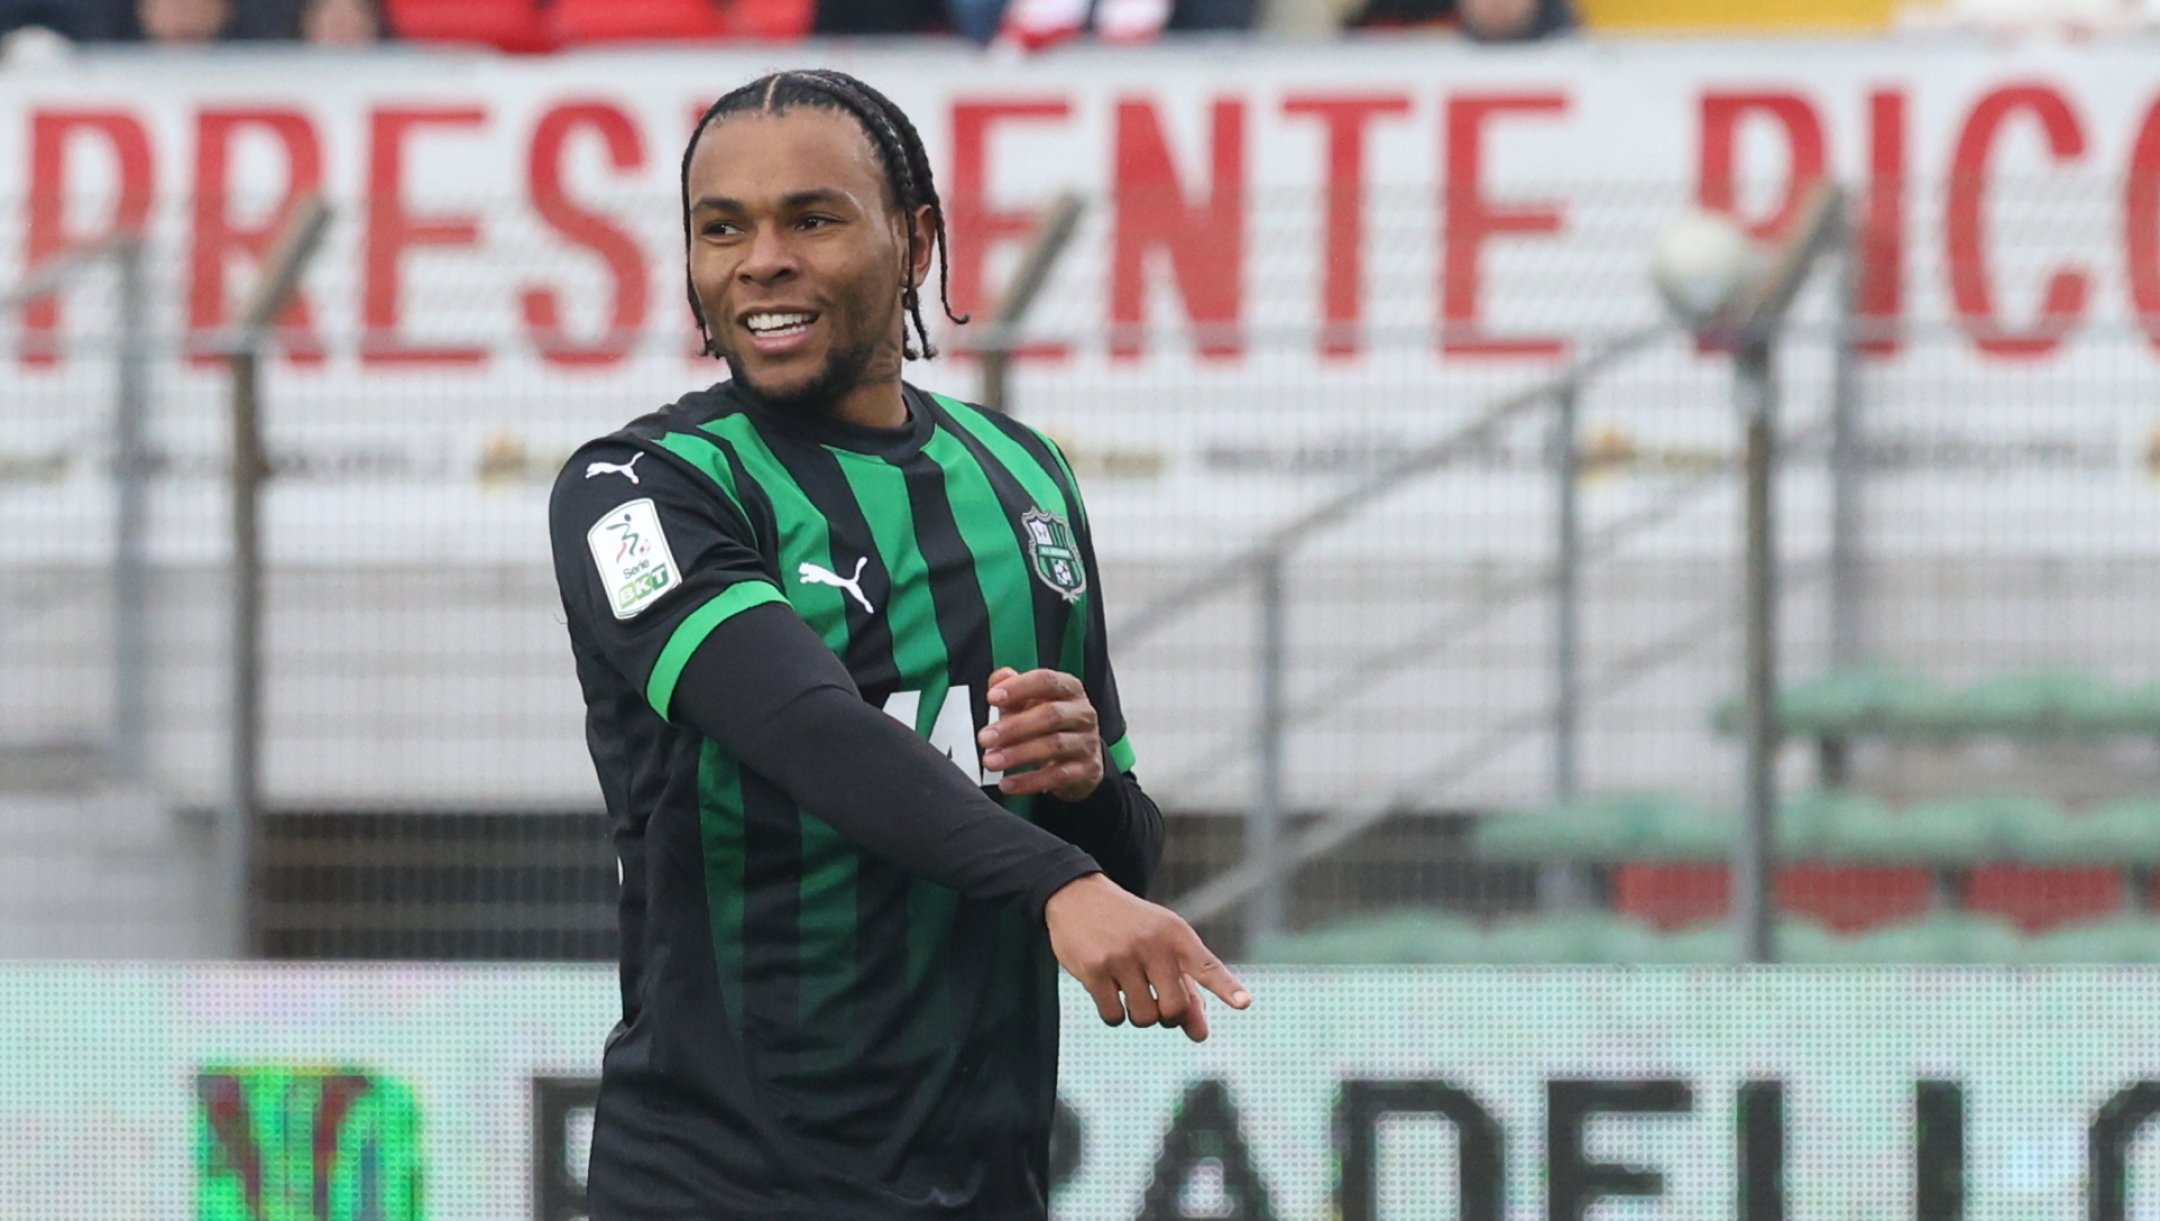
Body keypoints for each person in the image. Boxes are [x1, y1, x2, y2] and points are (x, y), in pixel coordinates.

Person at [547, 69, 1250, 1221]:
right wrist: (1062, 880)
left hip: (983, 1185)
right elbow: (805, 731)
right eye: (722, 229)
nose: (761, 260)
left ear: (916, 241)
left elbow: (1121, 853)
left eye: (811, 219)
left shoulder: (1023, 477)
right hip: (717, 1185)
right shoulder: (642, 490)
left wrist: (1076, 793)